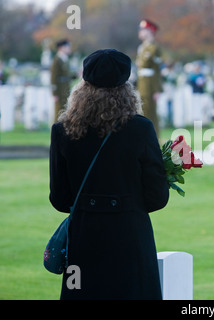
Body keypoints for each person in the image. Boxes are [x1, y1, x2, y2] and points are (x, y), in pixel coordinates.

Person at [49, 49, 169, 300]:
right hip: (129, 236)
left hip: (84, 237)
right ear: (126, 86)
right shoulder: (141, 128)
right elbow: (157, 198)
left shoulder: (62, 131)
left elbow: (60, 200)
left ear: (83, 84)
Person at [136, 19, 164, 138]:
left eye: (143, 30)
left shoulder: (154, 48)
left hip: (150, 85)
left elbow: (157, 70)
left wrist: (157, 89)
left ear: (150, 31)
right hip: (142, 83)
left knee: (150, 114)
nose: (140, 32)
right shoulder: (142, 47)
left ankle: (154, 138)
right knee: (143, 111)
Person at [50, 39, 72, 124]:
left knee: (64, 112)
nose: (69, 49)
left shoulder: (64, 59)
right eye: (67, 47)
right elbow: (54, 78)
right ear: (61, 48)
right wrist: (54, 93)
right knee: (58, 113)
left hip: (65, 90)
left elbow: (66, 76)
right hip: (59, 91)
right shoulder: (57, 60)